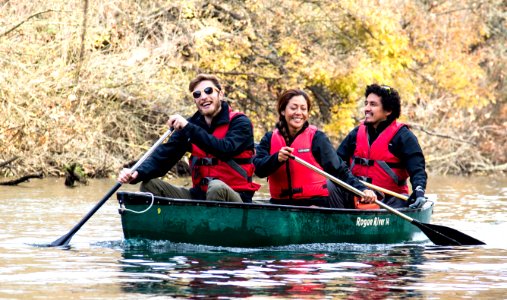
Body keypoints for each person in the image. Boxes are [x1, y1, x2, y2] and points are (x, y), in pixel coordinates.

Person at [117, 74, 261, 203]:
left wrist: (188, 128)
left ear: (220, 94)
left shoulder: (240, 122)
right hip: (199, 196)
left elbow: (225, 149)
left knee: (216, 187)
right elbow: (163, 157)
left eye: (208, 91)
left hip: (236, 196)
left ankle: (214, 230)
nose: (203, 97)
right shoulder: (189, 126)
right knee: (150, 185)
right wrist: (136, 172)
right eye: (197, 94)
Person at [253, 88, 377, 207]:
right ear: (283, 111)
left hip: (314, 205)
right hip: (280, 205)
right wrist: (276, 159)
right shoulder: (269, 138)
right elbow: (259, 169)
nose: (299, 113)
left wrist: (362, 190)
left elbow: (339, 171)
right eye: (293, 108)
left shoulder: (317, 138)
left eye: (303, 109)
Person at [336, 84, 427, 209]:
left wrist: (419, 190)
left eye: (373, 104)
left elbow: (417, 170)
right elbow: (336, 163)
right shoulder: (356, 134)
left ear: (388, 111)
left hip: (389, 201)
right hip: (356, 194)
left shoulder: (404, 137)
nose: (366, 108)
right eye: (366, 103)